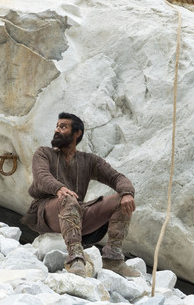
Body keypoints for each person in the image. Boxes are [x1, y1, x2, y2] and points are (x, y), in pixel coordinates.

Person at [21, 112, 140, 278]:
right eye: (57, 126)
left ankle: (113, 259)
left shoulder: (89, 161)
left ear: (77, 133)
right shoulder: (43, 153)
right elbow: (41, 176)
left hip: (77, 211)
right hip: (46, 212)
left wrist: (127, 193)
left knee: (122, 201)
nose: (57, 130)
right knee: (67, 199)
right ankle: (75, 258)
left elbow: (117, 177)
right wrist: (58, 188)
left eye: (63, 127)